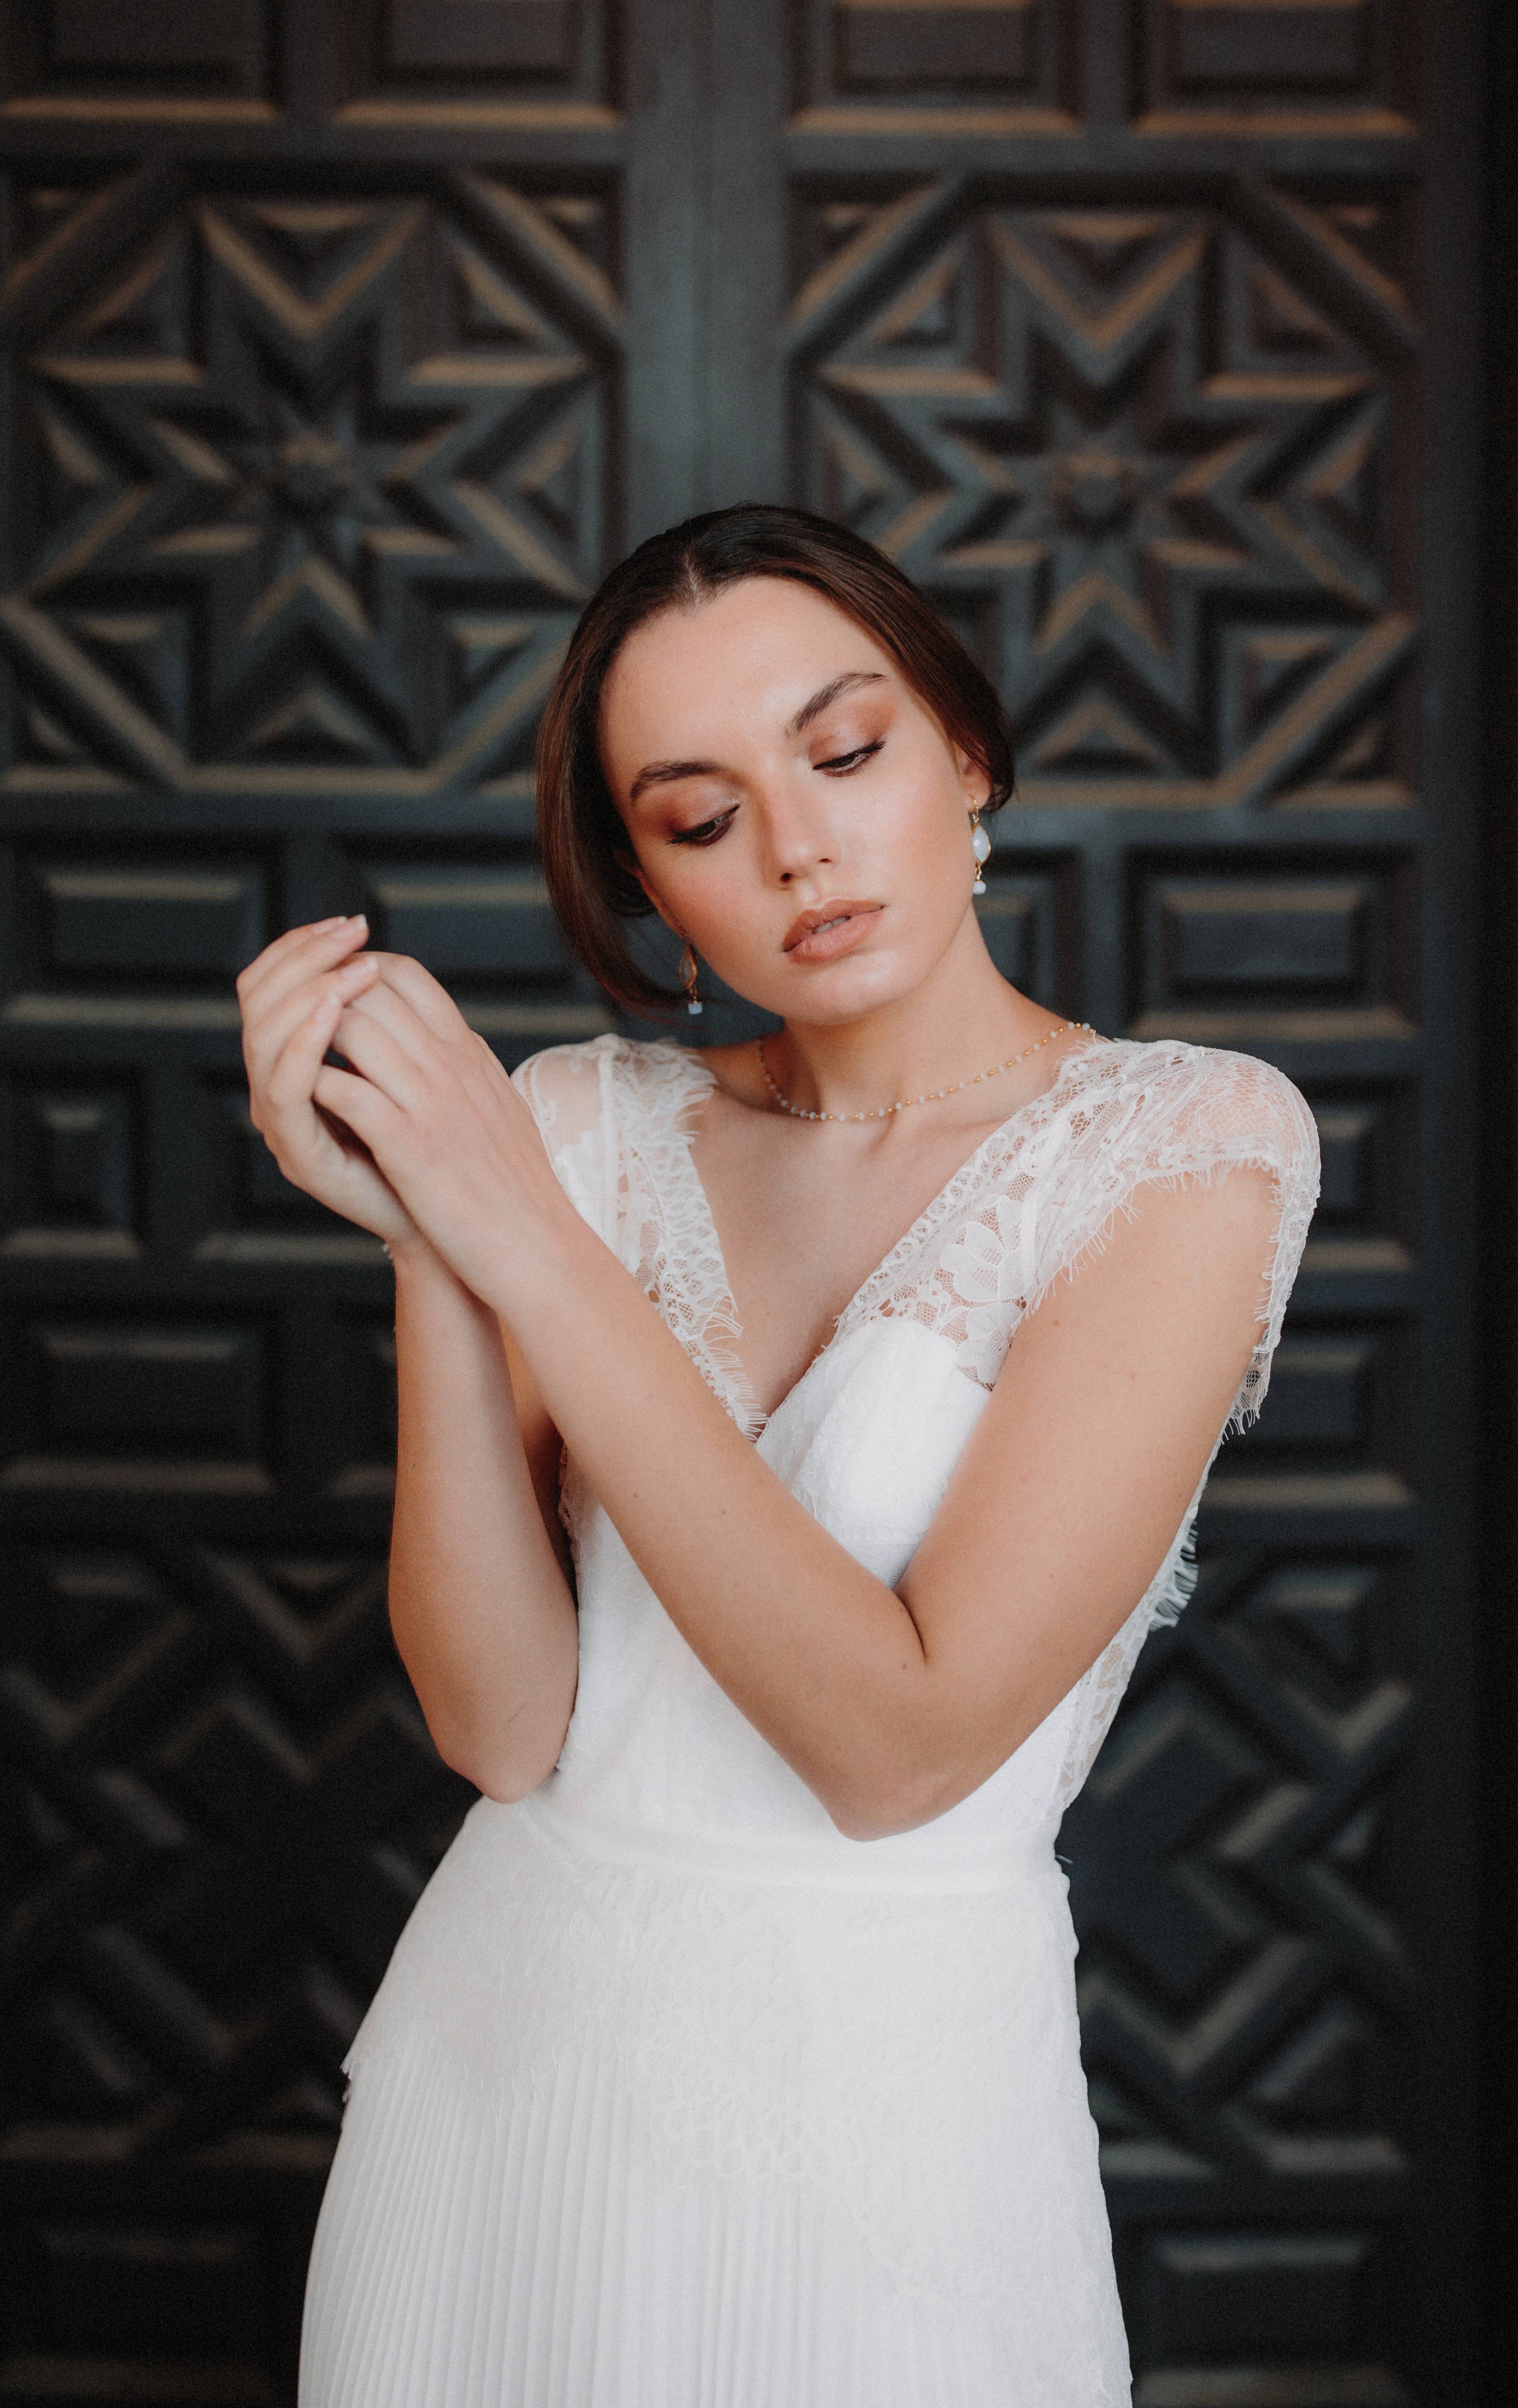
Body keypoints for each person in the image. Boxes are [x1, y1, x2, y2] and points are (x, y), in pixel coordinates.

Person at [241, 506, 1320, 2408]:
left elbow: (897, 1748)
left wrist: (526, 1244)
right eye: (698, 813)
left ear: (963, 750)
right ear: (649, 882)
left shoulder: (1186, 1149)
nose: (800, 846)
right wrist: (435, 1230)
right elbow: (501, 1729)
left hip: (887, 2120)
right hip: (504, 2081)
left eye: (843, 751)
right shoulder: (571, 1121)